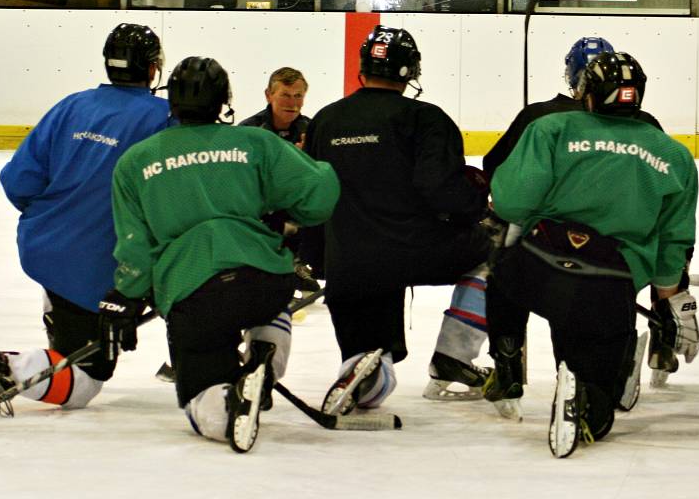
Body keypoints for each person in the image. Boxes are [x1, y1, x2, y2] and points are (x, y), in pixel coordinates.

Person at [99, 56, 339, 453]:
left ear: (171, 101)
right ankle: (264, 362)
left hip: (192, 289)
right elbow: (320, 194)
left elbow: (134, 246)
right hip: (263, 277)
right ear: (224, 100)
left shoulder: (135, 162)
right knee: (271, 309)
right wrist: (287, 214)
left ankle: (227, 405)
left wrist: (126, 293)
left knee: (205, 405)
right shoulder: (256, 142)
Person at [0, 23, 171, 416]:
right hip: (104, 265)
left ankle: (50, 331)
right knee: (85, 380)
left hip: (48, 249)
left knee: (74, 349)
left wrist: (59, 220)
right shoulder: (164, 117)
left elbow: (19, 180)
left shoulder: (73, 104)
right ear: (152, 69)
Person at [426, 37, 665, 405]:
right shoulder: (648, 125)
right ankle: (641, 345)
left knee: (502, 272)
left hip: (551, 235)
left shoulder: (541, 117)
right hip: (625, 247)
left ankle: (503, 363)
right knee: (609, 290)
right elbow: (665, 198)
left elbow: (499, 172)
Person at [481, 51, 699, 458]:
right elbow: (674, 238)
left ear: (587, 92)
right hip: (613, 279)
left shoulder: (551, 128)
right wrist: (672, 301)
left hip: (540, 265)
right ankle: (590, 391)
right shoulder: (673, 155)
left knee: (506, 272)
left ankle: (509, 358)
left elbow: (510, 203)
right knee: (600, 355)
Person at [302, 24, 490, 416]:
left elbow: (313, 197)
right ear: (411, 71)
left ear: (362, 67)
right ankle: (454, 354)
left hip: (349, 262)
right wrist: (476, 205)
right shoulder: (425, 118)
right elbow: (440, 189)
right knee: (498, 255)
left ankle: (366, 369)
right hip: (418, 251)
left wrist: (321, 259)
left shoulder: (326, 120)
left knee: (369, 355)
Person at [239, 67, 320, 294]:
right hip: (257, 205)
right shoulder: (249, 131)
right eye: (285, 95)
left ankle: (298, 263)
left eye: (298, 96)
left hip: (295, 205)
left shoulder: (311, 130)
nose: (292, 103)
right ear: (269, 95)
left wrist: (307, 160)